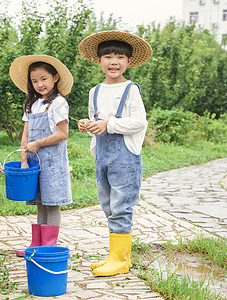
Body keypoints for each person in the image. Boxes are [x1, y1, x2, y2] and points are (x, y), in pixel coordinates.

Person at [77, 30, 152, 276]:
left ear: (128, 62)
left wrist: (108, 124)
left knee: (121, 206)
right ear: (98, 61)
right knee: (108, 205)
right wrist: (88, 125)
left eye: (120, 57)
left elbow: (139, 122)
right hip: (102, 156)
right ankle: (117, 255)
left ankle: (119, 260)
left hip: (125, 158)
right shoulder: (95, 91)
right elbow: (94, 121)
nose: (114, 62)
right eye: (108, 56)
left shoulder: (130, 90)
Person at [9, 55, 73, 257]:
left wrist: (38, 144)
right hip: (35, 162)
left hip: (53, 163)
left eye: (44, 79)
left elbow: (63, 134)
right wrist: (23, 160)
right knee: (40, 202)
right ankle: (36, 245)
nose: (39, 84)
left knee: (52, 203)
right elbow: (25, 135)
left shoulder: (58, 103)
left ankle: (48, 247)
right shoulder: (32, 104)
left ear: (55, 78)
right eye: (35, 81)